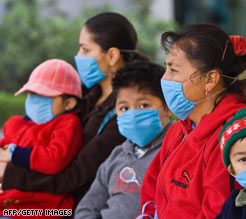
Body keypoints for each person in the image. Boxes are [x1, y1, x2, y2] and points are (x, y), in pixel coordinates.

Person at [137, 24, 246, 219]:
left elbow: (219, 211)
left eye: (173, 70)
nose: (165, 78)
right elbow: (152, 192)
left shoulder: (236, 137)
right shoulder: (179, 130)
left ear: (210, 79)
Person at [0, 12, 148, 209]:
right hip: (27, 197)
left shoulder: (123, 112)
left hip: (73, 208)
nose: (78, 57)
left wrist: (8, 173)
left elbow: (74, 177)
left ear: (112, 55)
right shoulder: (81, 95)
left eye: (85, 50)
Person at [74, 61, 172, 219]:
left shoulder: (177, 150)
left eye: (143, 105)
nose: (132, 114)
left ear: (167, 108)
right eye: (124, 108)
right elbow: (86, 208)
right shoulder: (116, 156)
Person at [0, 59, 83, 216]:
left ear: (69, 103)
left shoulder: (67, 124)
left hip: (45, 209)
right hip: (12, 204)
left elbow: (55, 159)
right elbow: (4, 146)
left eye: (44, 95)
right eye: (32, 93)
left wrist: (15, 154)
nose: (34, 99)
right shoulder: (20, 124)